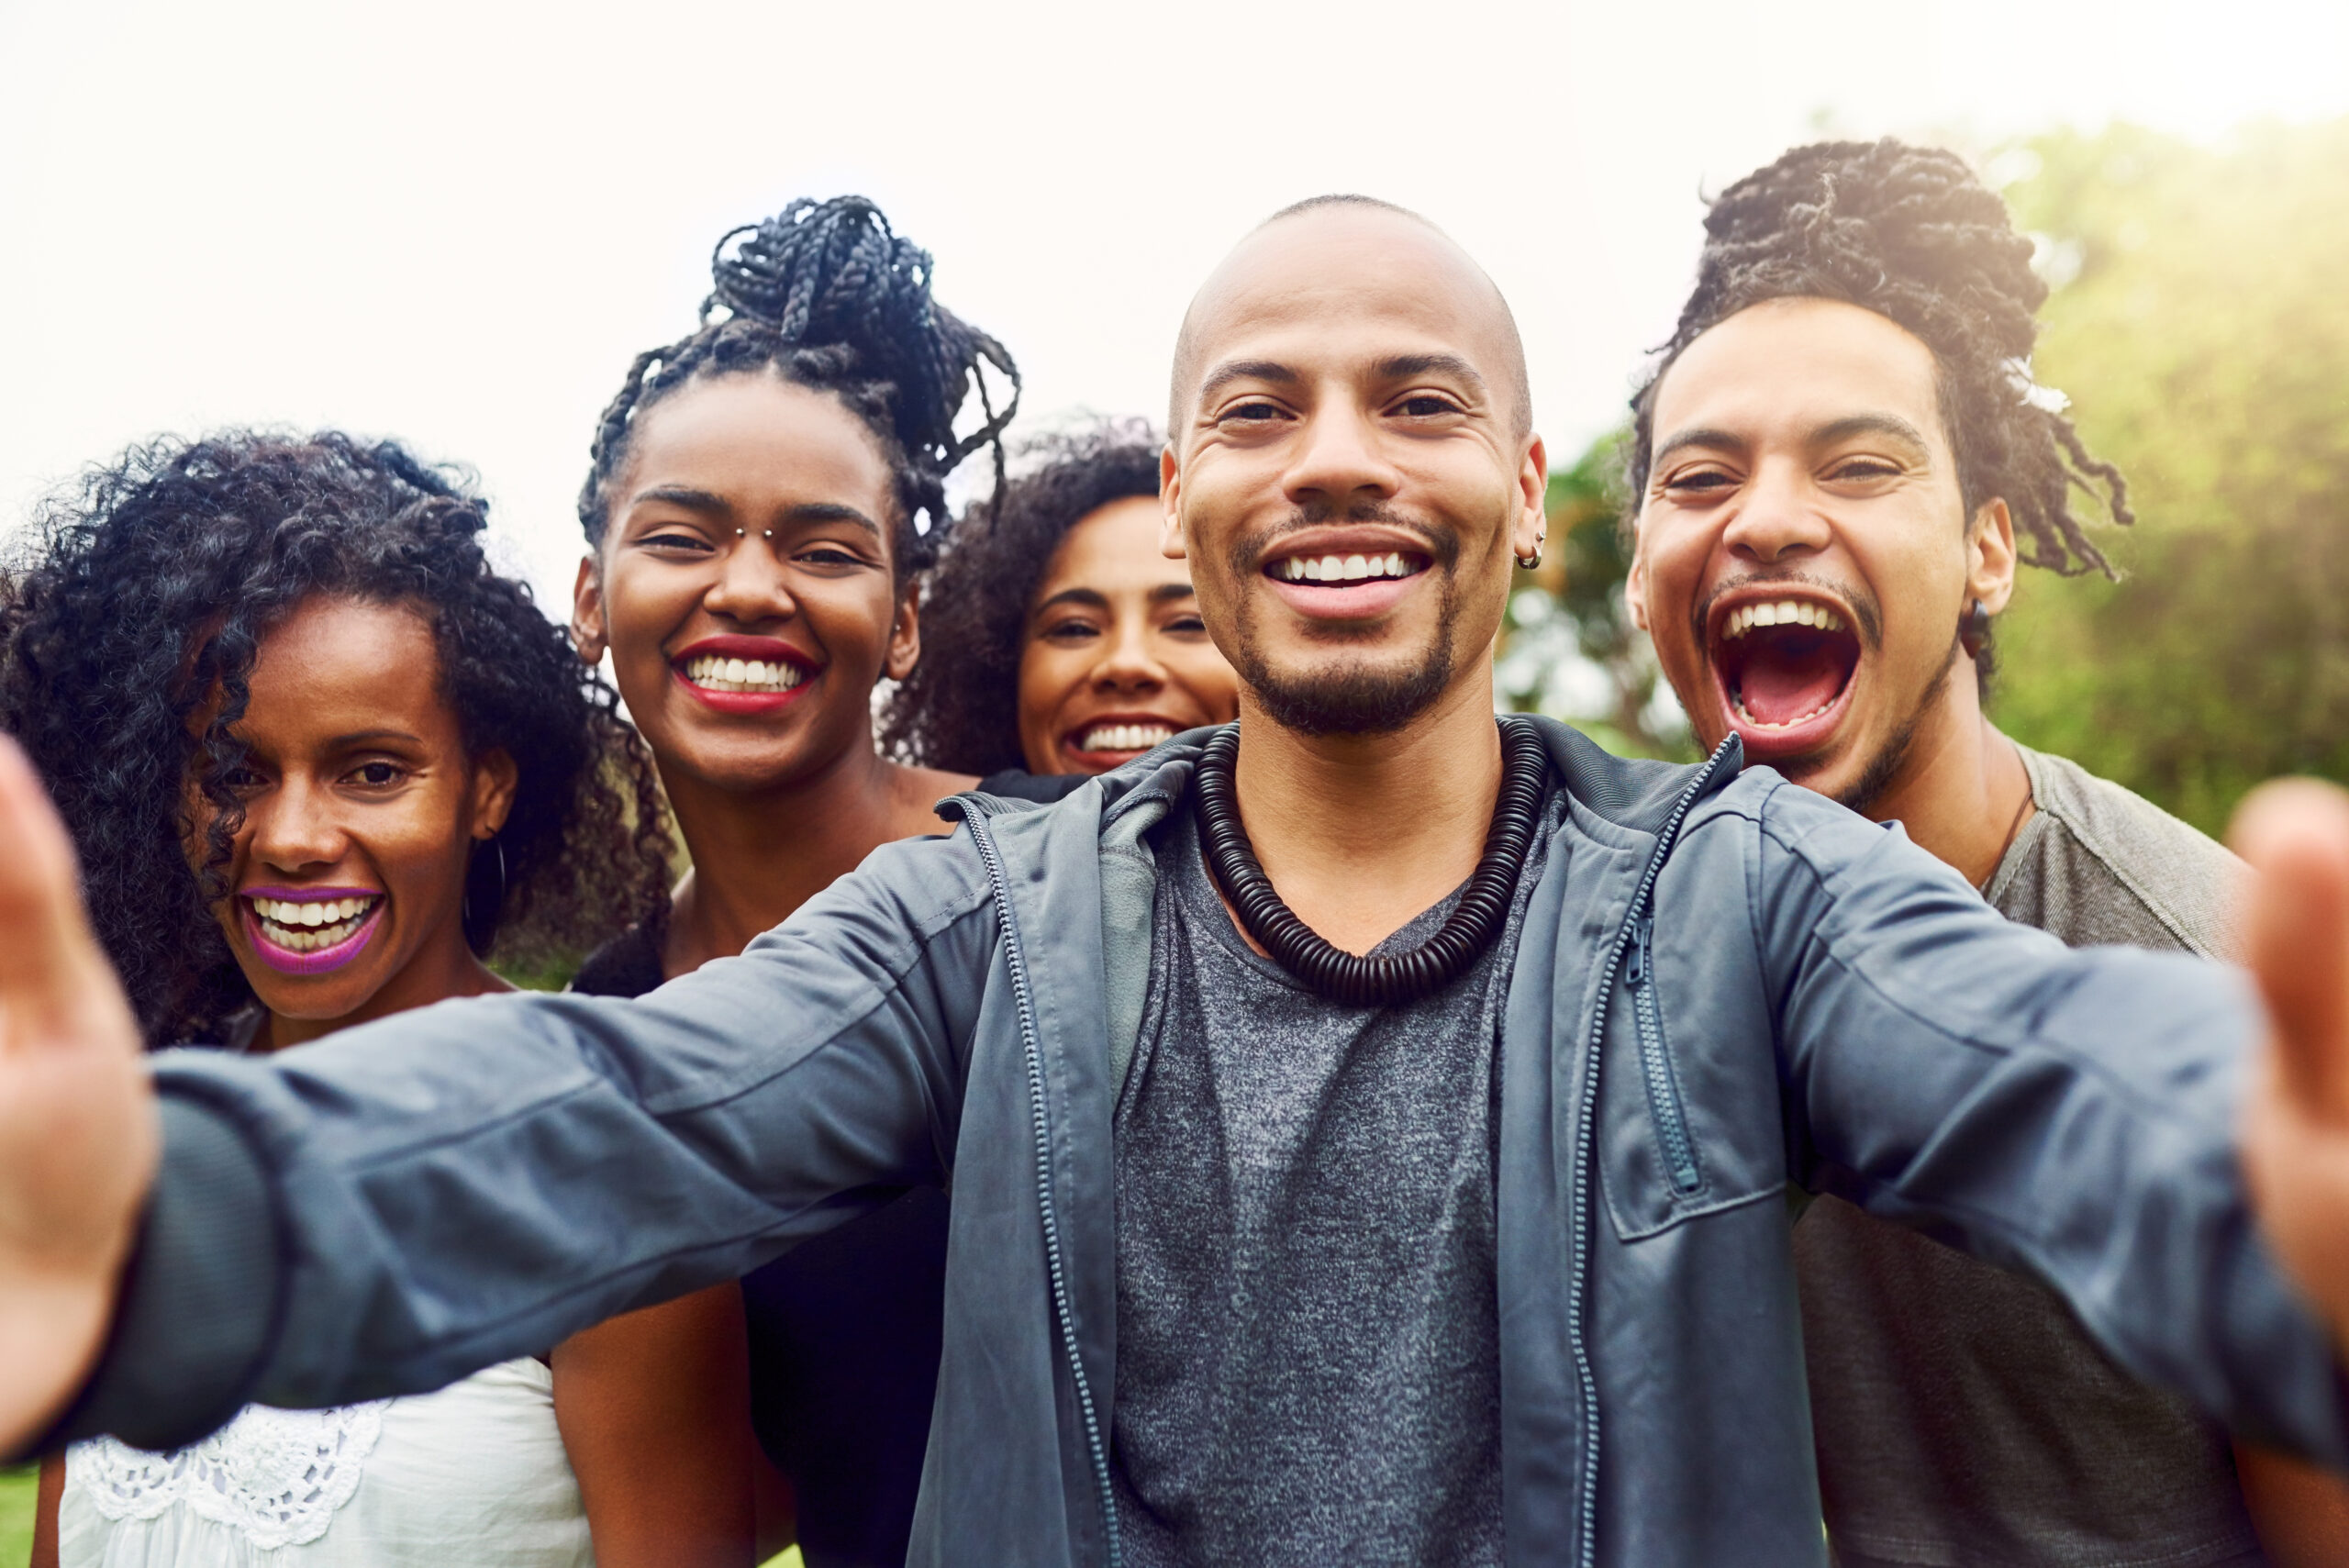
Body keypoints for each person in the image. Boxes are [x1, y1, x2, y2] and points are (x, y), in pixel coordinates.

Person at [11, 196, 2349, 1568]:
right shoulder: (979, 922)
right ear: (1192, 494)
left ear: (1529, 496)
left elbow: (2043, 1066)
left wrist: (2245, 1170)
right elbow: (609, 1118)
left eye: (1414, 400)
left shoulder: (1730, 895)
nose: (1336, 454)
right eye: (1258, 406)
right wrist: (157, 1221)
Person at [1620, 138, 2349, 1568]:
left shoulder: (2211, 990)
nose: (1765, 517)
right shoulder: (1606, 959)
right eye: (1700, 476)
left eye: (1862, 462)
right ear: (1641, 557)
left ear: (1987, 552)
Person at [0, 431, 735, 1566]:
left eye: (372, 770)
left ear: (486, 787)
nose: (291, 837)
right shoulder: (130, 1137)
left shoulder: (599, 1152)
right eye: (235, 773)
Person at [560, 194, 1016, 1568]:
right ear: (594, 601)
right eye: (683, 536)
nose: (749, 588)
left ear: (903, 621)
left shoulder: (1072, 872)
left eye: (823, 548)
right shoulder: (620, 1038)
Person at [883, 421, 1238, 785]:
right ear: (1001, 678)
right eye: (1075, 628)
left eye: (1187, 624)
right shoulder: (925, 844)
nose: (1126, 664)